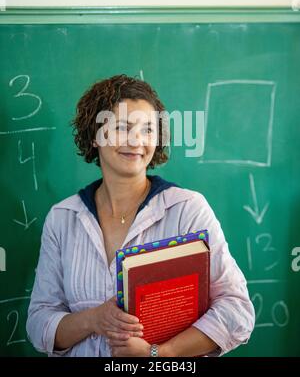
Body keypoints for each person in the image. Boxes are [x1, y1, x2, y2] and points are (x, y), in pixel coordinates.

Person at [26, 74, 255, 357]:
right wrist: (94, 319)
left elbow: (236, 308)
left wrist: (159, 354)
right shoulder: (62, 218)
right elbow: (38, 323)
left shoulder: (186, 210)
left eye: (148, 130)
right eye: (122, 127)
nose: (136, 140)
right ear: (95, 136)